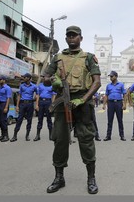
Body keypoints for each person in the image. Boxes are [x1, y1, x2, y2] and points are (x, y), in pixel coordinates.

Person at [44, 25, 101, 194]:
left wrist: (83, 99)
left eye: (74, 36)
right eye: (68, 36)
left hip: (82, 103)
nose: (71, 38)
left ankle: (91, 178)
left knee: (86, 140)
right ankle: (59, 177)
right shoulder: (57, 57)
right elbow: (46, 77)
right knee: (60, 140)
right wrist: (52, 81)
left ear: (81, 38)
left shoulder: (88, 57)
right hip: (62, 102)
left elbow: (97, 82)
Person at [10, 73, 38, 142]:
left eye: (25, 77)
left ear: (28, 78)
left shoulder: (34, 86)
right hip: (22, 104)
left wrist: (36, 101)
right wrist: (17, 106)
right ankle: (15, 135)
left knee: (29, 120)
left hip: (30, 104)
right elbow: (19, 96)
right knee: (19, 119)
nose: (24, 78)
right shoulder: (22, 86)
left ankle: (27, 135)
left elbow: (37, 95)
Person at [102, 70, 127, 141]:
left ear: (116, 76)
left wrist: (124, 104)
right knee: (110, 121)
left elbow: (124, 95)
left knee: (120, 120)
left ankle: (122, 135)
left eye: (112, 76)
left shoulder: (121, 85)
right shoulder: (108, 86)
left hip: (119, 103)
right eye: (110, 76)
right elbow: (106, 95)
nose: (110, 78)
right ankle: (108, 136)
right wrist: (104, 104)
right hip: (111, 104)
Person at [34, 76, 56, 141]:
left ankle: (51, 135)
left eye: (47, 77)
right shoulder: (40, 85)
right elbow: (37, 95)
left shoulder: (52, 86)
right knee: (40, 119)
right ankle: (37, 135)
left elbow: (54, 95)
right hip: (41, 102)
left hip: (48, 102)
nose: (46, 78)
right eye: (45, 77)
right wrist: (37, 105)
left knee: (49, 119)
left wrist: (52, 105)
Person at [0, 76, 12, 142]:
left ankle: (6, 136)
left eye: (0, 79)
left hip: (4, 104)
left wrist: (6, 107)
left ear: (4, 80)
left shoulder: (7, 88)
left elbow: (8, 98)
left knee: (3, 120)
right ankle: (2, 135)